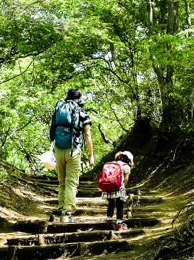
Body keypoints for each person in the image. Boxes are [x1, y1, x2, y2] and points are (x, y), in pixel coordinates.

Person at [49, 87, 94, 223]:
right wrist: (91, 154)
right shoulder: (82, 113)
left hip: (57, 149)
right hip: (73, 150)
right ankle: (67, 213)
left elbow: (52, 129)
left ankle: (61, 207)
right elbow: (87, 134)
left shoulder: (58, 110)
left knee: (62, 181)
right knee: (71, 182)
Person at [101, 150, 134, 231]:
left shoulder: (110, 164)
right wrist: (123, 187)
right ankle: (119, 224)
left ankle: (109, 221)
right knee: (120, 205)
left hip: (108, 187)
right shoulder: (126, 166)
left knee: (111, 204)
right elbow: (125, 180)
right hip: (119, 188)